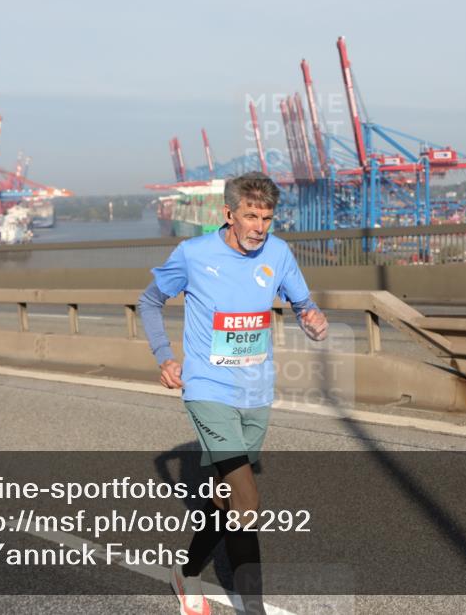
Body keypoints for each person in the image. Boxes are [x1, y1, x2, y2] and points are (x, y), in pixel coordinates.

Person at [138, 172, 328, 615]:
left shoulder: (278, 253)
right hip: (207, 387)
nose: (259, 227)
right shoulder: (192, 253)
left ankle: (185, 573)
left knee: (224, 499)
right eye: (250, 216)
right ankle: (252, 608)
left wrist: (314, 321)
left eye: (266, 217)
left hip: (255, 391)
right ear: (229, 215)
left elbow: (304, 305)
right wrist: (165, 357)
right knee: (247, 498)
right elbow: (149, 302)